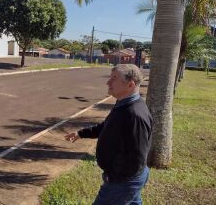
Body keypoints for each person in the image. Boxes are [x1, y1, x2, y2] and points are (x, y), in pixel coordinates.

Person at [65, 64, 153, 205]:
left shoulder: (134, 114)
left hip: (123, 182)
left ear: (130, 85)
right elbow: (106, 127)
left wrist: (115, 177)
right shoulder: (123, 104)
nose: (108, 82)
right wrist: (81, 134)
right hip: (127, 179)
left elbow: (137, 157)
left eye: (114, 79)